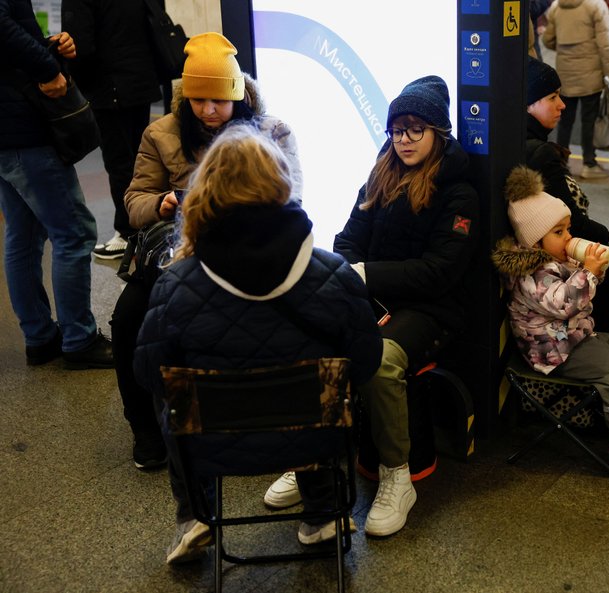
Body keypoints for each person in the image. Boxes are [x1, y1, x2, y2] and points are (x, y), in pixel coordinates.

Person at [133, 123, 382, 564]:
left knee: (170, 393)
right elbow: (365, 362)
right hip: (314, 440)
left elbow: (148, 373)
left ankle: (194, 515)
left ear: (206, 189)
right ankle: (324, 510)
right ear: (280, 182)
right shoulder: (333, 274)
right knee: (326, 380)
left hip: (211, 447)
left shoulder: (176, 284)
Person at [265, 75, 480, 538]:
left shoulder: (459, 191)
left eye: (414, 129)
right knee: (308, 337)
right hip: (372, 296)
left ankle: (397, 477)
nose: (403, 139)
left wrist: (365, 275)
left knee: (381, 363)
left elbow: (440, 271)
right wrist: (345, 272)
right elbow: (349, 236)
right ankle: (311, 462)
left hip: (431, 309)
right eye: (396, 130)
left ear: (438, 132)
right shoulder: (382, 171)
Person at [113, 31, 303, 471]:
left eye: (218, 100)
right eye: (198, 100)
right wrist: (159, 204)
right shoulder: (161, 134)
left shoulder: (273, 132)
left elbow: (293, 198)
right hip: (176, 254)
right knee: (127, 320)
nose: (208, 110)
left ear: (238, 95)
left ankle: (252, 419)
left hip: (248, 253)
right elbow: (135, 199)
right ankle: (144, 428)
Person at [493, 165, 609, 469]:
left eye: (568, 229)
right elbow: (564, 303)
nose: (568, 237)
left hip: (568, 335)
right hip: (550, 349)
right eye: (558, 232)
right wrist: (589, 274)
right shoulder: (532, 274)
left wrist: (585, 262)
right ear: (535, 242)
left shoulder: (553, 259)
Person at [0, 0, 114, 369]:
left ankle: (40, 337)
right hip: (21, 129)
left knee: (24, 232)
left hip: (7, 130)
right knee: (74, 232)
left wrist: (50, 43)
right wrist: (48, 67)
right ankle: (79, 339)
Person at [525, 57, 609, 336]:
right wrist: (603, 233)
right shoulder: (541, 153)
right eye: (553, 97)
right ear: (528, 103)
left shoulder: (511, 140)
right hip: (541, 250)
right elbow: (571, 221)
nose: (561, 104)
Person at [62, 0, 163, 259]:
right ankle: (148, 226)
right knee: (143, 160)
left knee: (120, 163)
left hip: (109, 88)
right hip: (141, 82)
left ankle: (128, 234)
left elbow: (81, 47)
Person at [541, 0, 609, 179]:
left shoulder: (557, 6)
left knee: (564, 121)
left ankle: (561, 164)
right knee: (589, 121)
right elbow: (605, 44)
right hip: (591, 73)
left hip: (565, 73)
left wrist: (565, 50)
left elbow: (547, 39)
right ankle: (589, 164)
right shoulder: (596, 5)